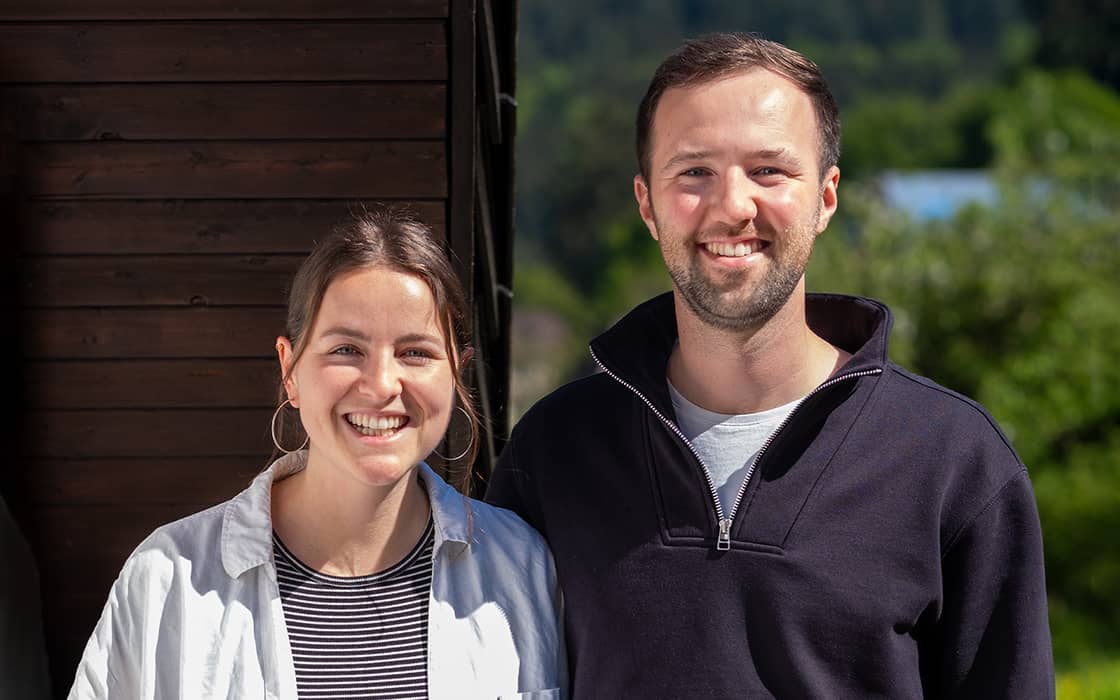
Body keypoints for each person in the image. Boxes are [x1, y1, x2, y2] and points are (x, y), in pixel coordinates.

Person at [485, 31, 1054, 698]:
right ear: (646, 203)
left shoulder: (954, 461)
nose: (732, 206)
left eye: (769, 171)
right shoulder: (556, 453)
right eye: (694, 172)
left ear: (826, 198)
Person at [68, 209, 566, 699]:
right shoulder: (168, 577)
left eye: (416, 352)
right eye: (346, 349)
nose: (381, 385)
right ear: (290, 369)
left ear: (456, 373)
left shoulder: (521, 567)